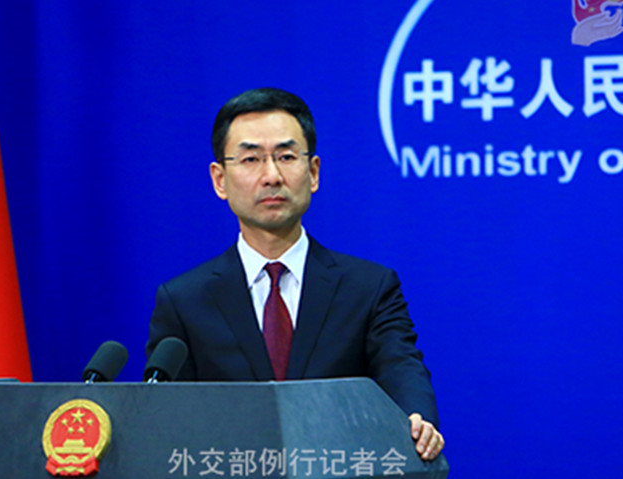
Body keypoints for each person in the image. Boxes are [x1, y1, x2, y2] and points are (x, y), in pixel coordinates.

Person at [146, 87, 444, 460]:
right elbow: (167, 420)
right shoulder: (184, 301)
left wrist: (417, 417)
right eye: (251, 159)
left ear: (313, 172)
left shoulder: (369, 288)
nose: (271, 176)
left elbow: (400, 366)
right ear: (220, 179)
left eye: (286, 157)